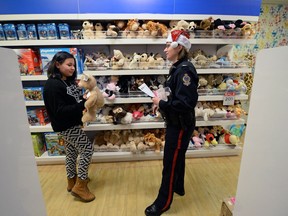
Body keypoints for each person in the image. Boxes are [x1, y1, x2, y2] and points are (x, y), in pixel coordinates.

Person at [145, 30, 199, 216]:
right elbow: (175, 95)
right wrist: (161, 102)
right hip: (177, 122)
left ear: (179, 47)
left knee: (170, 161)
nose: (165, 48)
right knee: (178, 157)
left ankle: (163, 203)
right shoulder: (177, 67)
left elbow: (185, 103)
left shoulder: (184, 70)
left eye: (168, 45)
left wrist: (161, 103)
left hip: (180, 125)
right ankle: (178, 187)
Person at [43, 51, 95, 202]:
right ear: (57, 64)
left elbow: (71, 100)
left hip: (72, 123)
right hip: (66, 126)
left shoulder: (66, 81)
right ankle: (81, 185)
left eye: (73, 65)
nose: (72, 68)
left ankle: (71, 181)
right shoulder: (52, 85)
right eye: (69, 65)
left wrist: (83, 98)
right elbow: (59, 111)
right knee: (87, 149)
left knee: (72, 152)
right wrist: (82, 105)